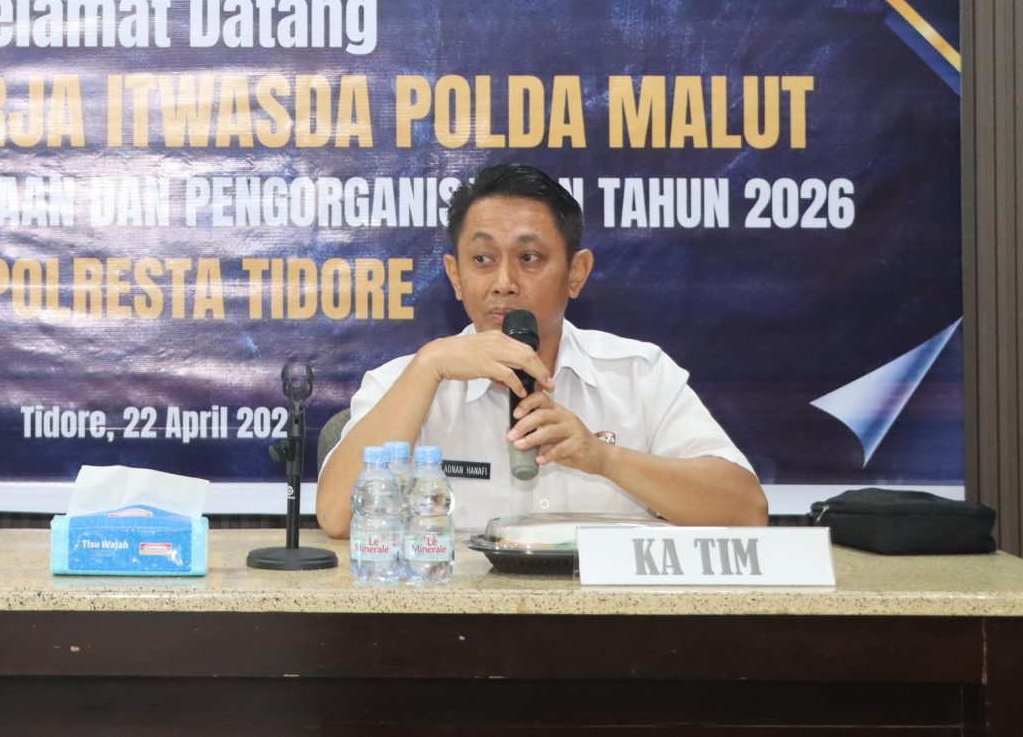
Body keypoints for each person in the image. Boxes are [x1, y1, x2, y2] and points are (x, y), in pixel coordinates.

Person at [317, 163, 766, 537]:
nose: (504, 283)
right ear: (455, 276)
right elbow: (337, 517)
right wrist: (430, 364)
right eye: (482, 260)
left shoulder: (637, 374)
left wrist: (605, 458)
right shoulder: (405, 381)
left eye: (529, 258)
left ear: (576, 272)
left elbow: (746, 512)